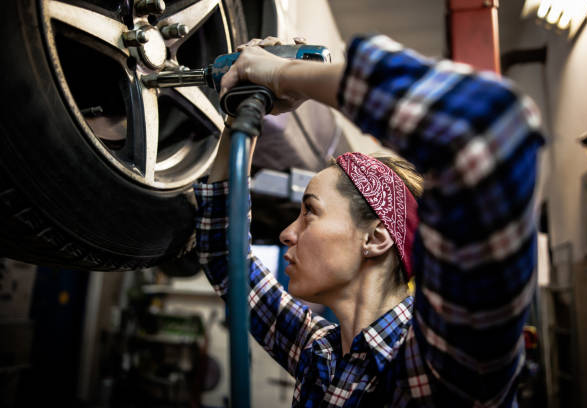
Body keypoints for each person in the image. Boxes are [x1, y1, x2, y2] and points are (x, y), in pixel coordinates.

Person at [195, 35, 544, 407]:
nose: (285, 234)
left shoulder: (435, 369)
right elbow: (225, 256)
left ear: (376, 238)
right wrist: (243, 101)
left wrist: (285, 75)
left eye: (309, 211)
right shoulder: (322, 354)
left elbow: (490, 127)